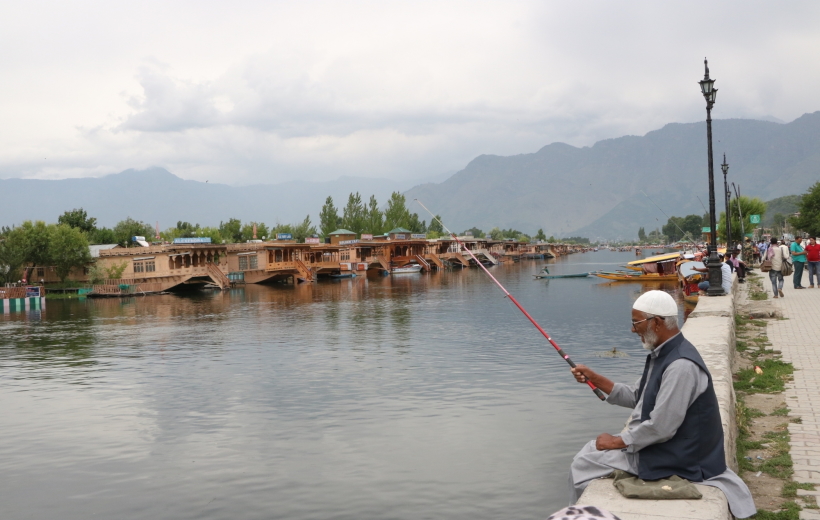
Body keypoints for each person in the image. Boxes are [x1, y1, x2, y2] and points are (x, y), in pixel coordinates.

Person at [567, 291, 755, 518]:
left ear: (656, 322)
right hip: (672, 447)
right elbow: (638, 396)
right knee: (589, 452)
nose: (632, 329)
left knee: (583, 463)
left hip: (683, 458)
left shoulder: (680, 366)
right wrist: (595, 378)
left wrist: (616, 442)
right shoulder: (666, 354)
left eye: (636, 322)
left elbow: (662, 426)